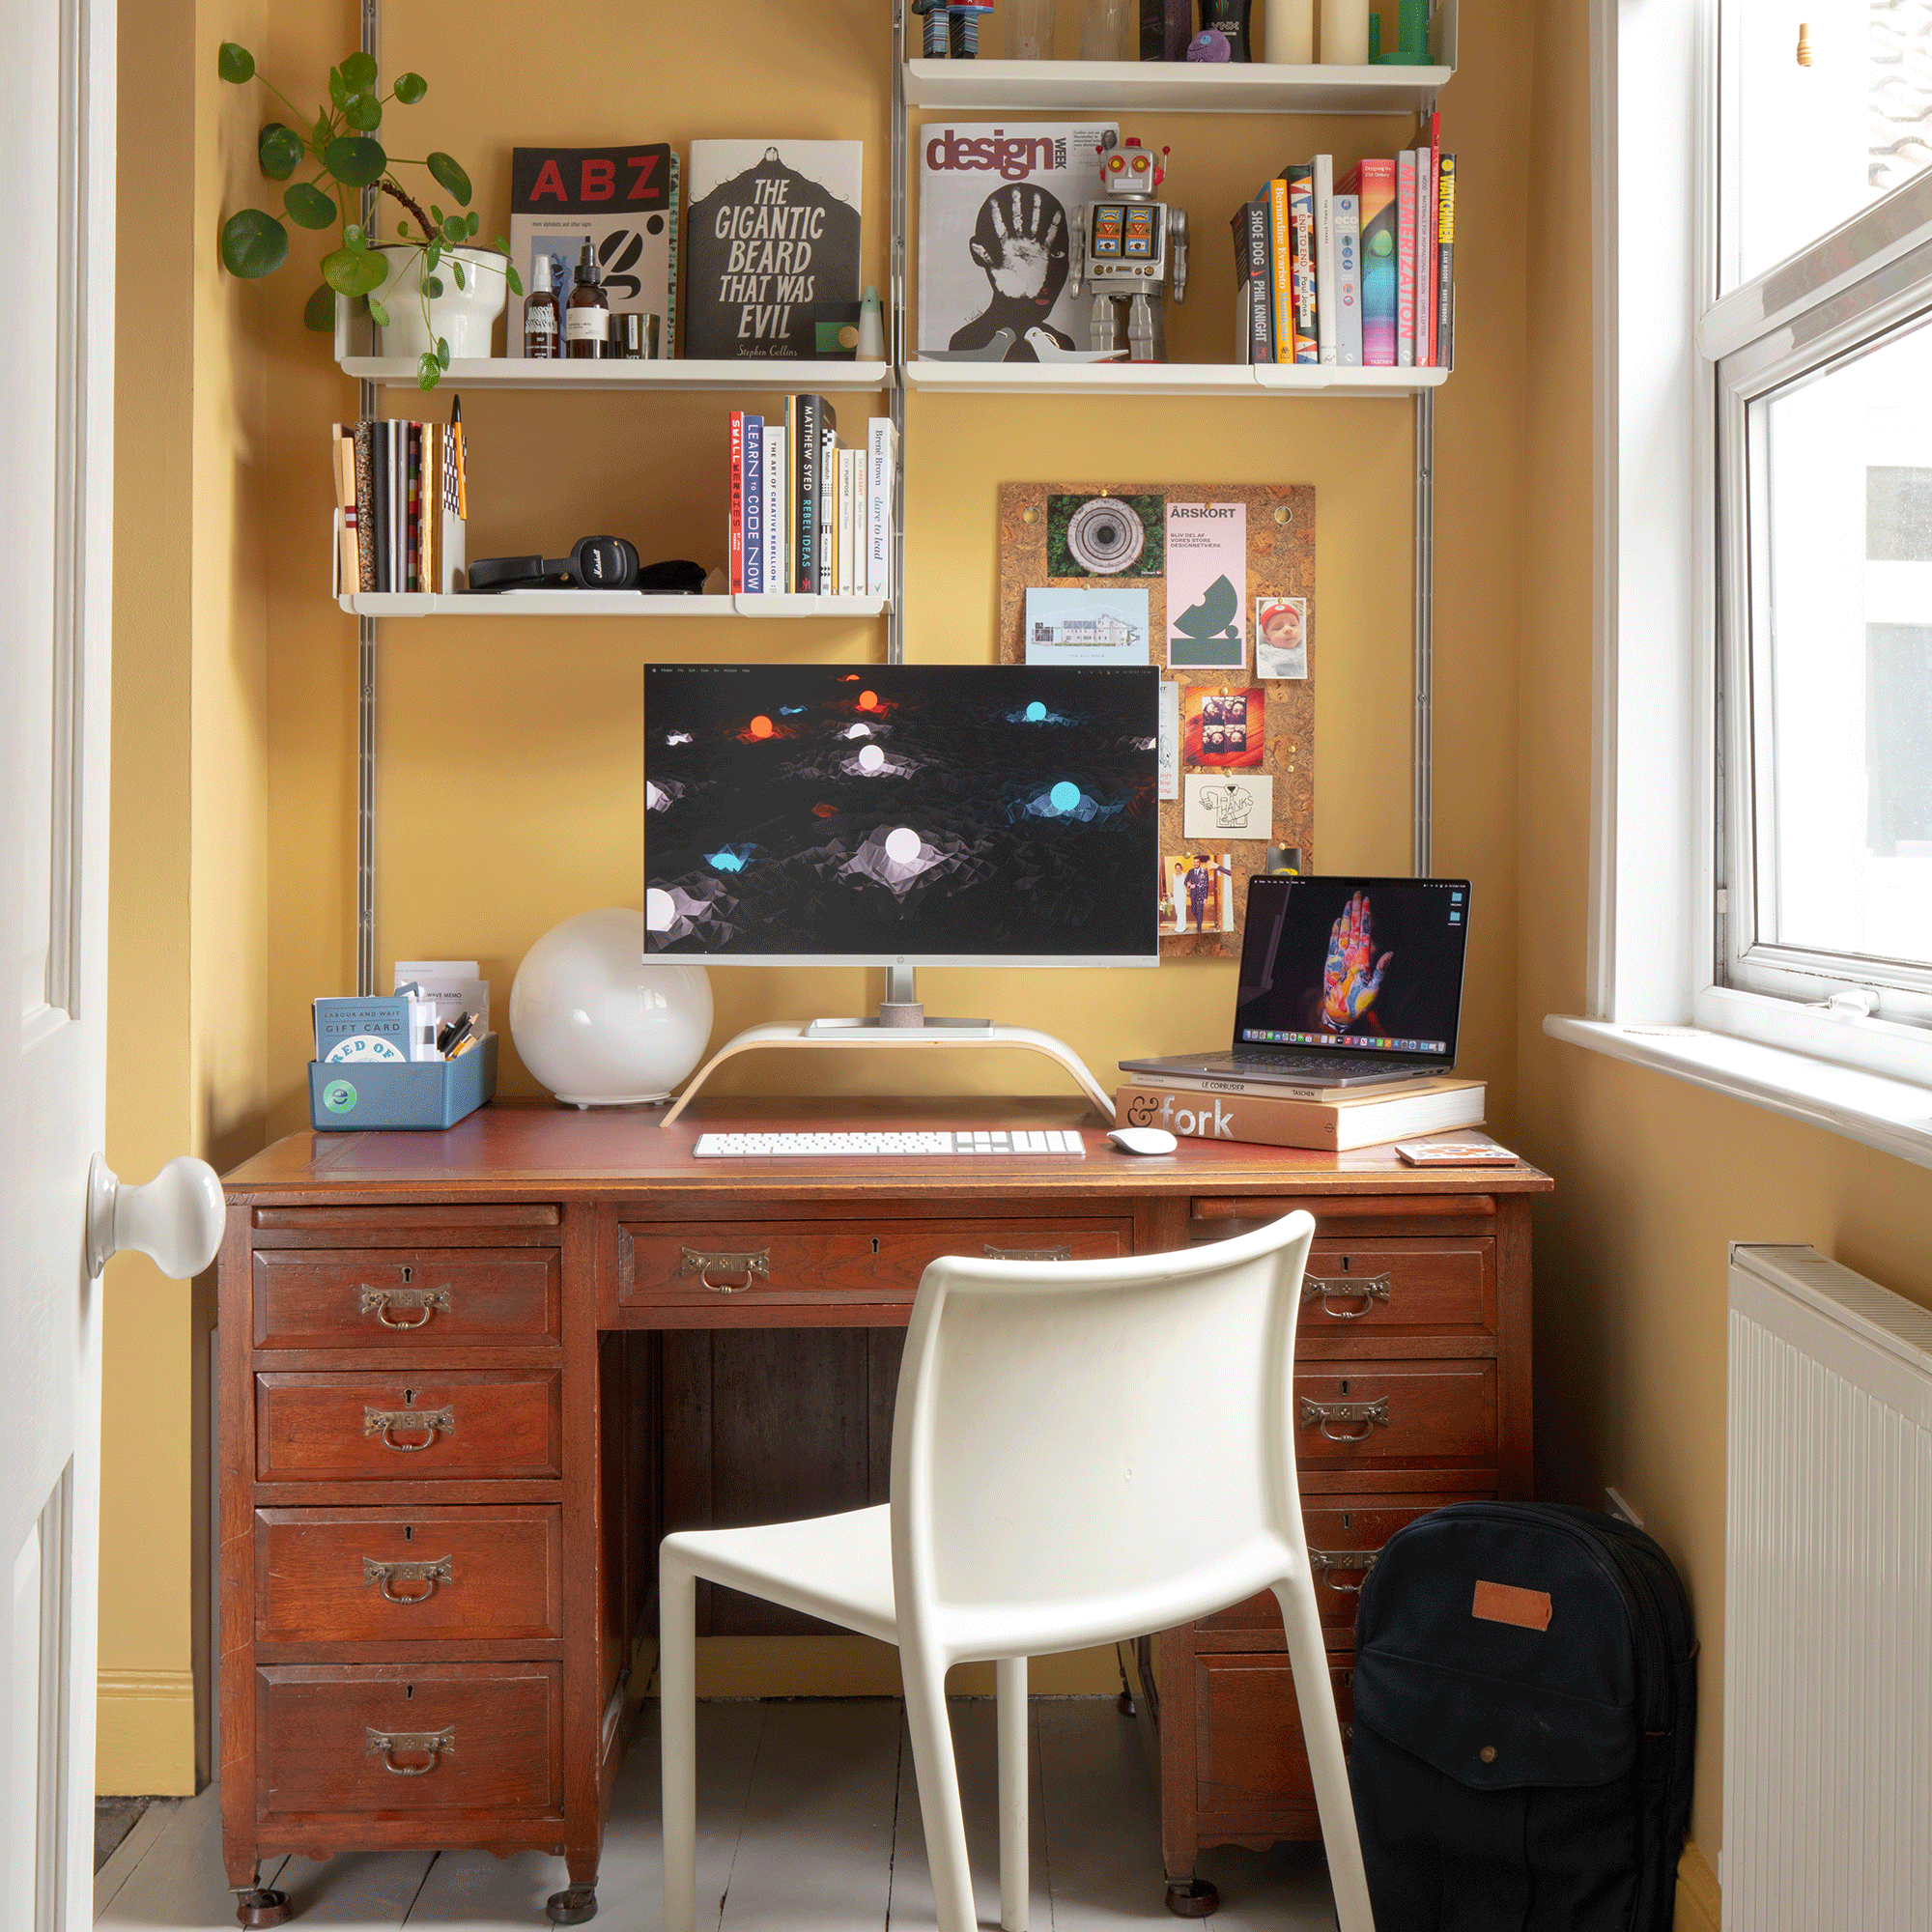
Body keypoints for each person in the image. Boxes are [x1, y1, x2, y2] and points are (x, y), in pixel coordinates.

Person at [1256, 597, 1307, 679]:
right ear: (1268, 639)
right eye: (1278, 628)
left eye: (1293, 625)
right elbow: (1260, 666)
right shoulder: (1265, 651)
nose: (1288, 629)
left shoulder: (1306, 643)